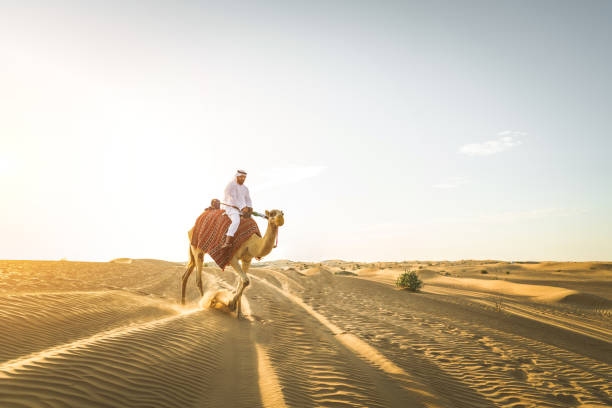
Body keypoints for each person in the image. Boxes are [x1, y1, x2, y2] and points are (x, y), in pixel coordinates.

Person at [221, 170, 253, 248]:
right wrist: (243, 207)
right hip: (231, 208)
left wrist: (250, 207)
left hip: (242, 209)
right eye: (241, 177)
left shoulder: (245, 188)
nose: (243, 179)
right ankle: (227, 242)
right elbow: (233, 198)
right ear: (237, 176)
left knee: (251, 222)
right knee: (236, 221)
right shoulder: (231, 185)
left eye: (244, 177)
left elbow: (248, 199)